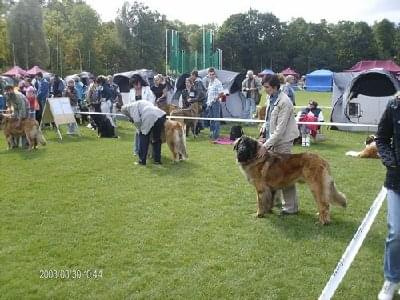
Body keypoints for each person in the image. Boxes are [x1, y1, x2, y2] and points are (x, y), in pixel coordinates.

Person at [257, 74, 300, 215]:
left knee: (286, 175)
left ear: (275, 86)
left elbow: (280, 130)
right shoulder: (271, 98)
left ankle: (290, 207)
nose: (265, 90)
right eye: (264, 87)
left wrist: (266, 145)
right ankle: (275, 202)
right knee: (273, 174)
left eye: (267, 87)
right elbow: (268, 118)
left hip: (283, 141)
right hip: (272, 140)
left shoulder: (285, 102)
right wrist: (263, 130)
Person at [376, 92, 400, 300]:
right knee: (396, 232)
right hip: (396, 181)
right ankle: (391, 279)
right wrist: (390, 161)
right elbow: (382, 139)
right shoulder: (394, 105)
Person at [121, 100, 166, 165]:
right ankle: (157, 160)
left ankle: (142, 160)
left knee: (143, 137)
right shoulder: (140, 102)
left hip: (150, 116)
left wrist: (139, 130)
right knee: (156, 139)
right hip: (161, 115)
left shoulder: (131, 107)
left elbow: (137, 121)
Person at [128, 74, 156, 156]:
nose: (136, 86)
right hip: (136, 115)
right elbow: (130, 104)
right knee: (138, 132)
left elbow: (152, 100)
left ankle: (143, 150)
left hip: (146, 114)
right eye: (134, 84)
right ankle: (137, 150)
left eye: (137, 83)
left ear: (140, 82)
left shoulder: (147, 89)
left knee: (144, 133)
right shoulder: (131, 91)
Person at [205, 68, 224, 140]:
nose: (212, 76)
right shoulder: (210, 82)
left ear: (215, 74)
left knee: (216, 119)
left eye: (213, 74)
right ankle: (212, 133)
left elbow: (222, 93)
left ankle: (216, 135)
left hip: (215, 103)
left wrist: (216, 98)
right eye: (210, 74)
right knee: (211, 119)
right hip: (209, 103)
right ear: (208, 75)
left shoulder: (218, 82)